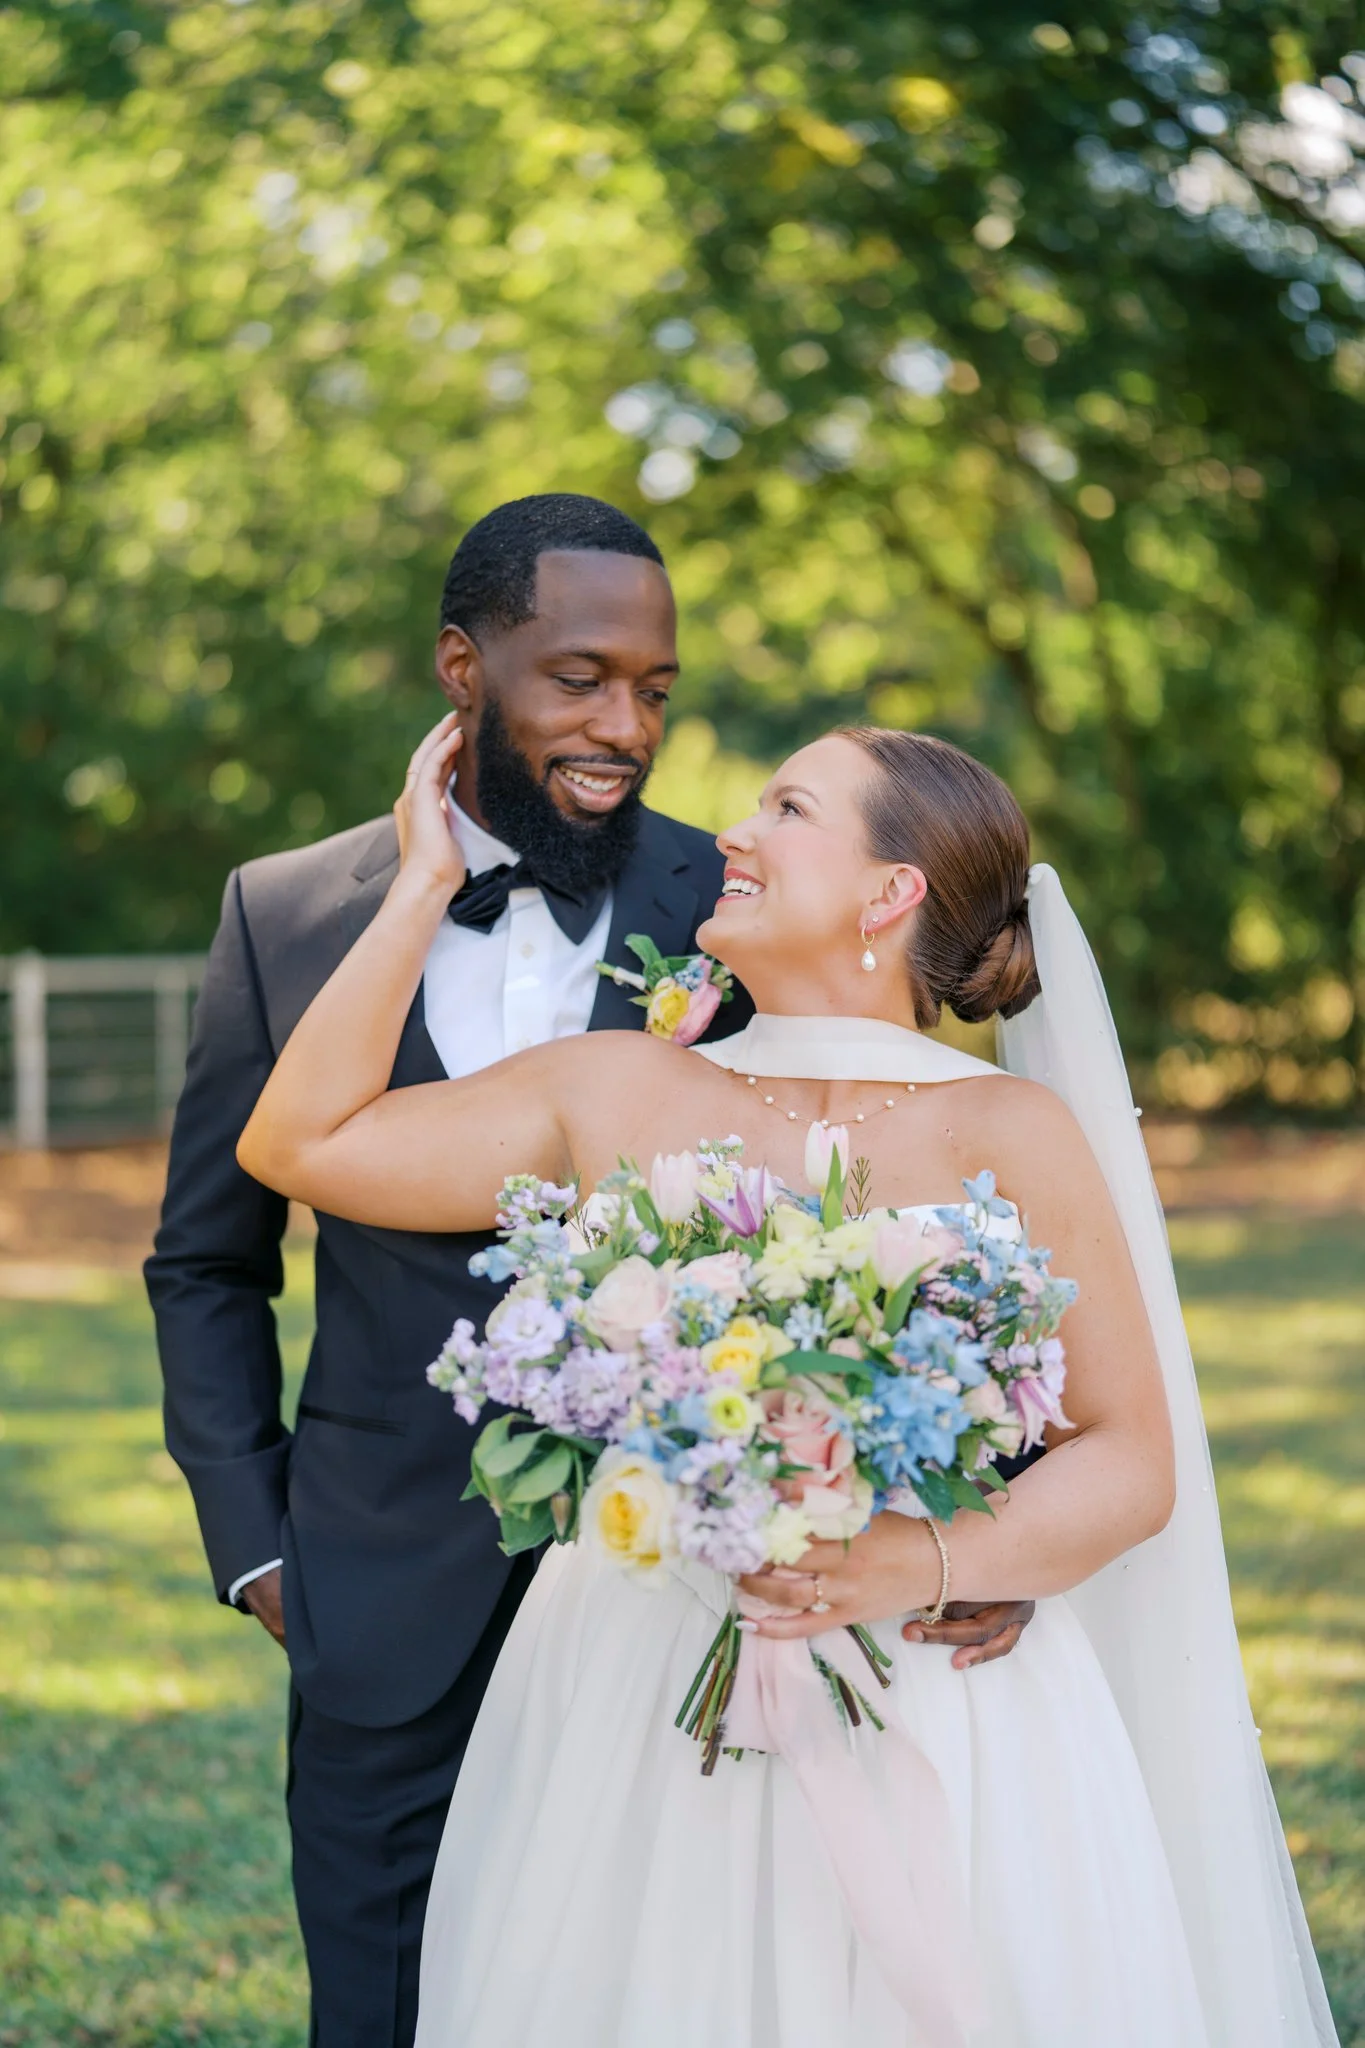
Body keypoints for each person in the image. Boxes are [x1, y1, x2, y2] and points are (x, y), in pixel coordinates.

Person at [236, 715, 1339, 2047]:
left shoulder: (1009, 1129)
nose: (735, 836)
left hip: (939, 1701)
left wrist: (918, 1558)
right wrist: (424, 880)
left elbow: (1128, 1457)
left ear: (892, 892)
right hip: (635, 1686)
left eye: (789, 810)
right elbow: (301, 1140)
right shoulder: (614, 1087)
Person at [145, 494, 1030, 2048]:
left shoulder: (752, 904)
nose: (625, 724)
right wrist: (258, 1545)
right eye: (580, 677)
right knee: (382, 2007)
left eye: (657, 690)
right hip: (377, 1581)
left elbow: (918, 1200)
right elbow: (208, 1262)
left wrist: (980, 1506)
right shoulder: (283, 914)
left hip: (686, 1588)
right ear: (462, 667)